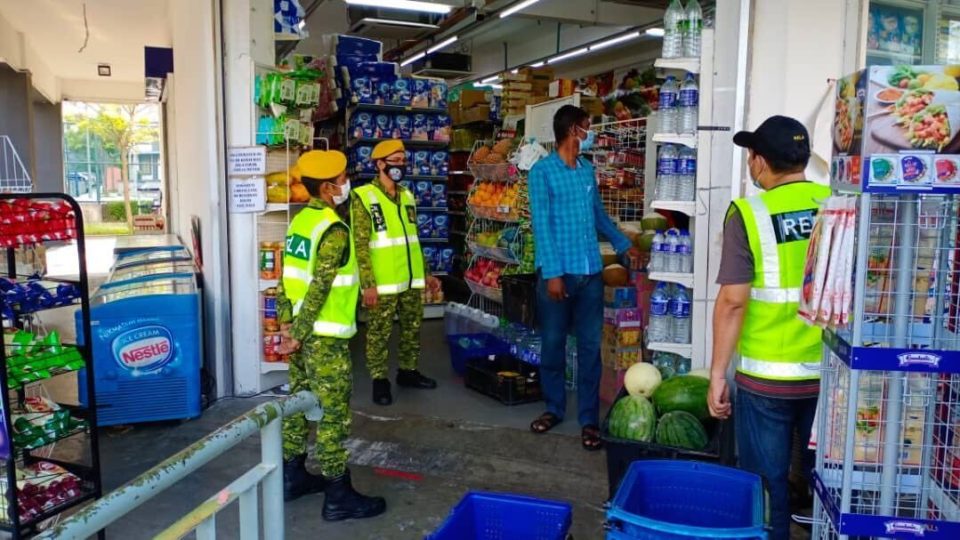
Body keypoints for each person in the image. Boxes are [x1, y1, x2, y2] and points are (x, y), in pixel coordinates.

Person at [707, 116, 831, 540]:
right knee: (828, 485)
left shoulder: (749, 212)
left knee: (766, 483)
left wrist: (717, 374)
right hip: (830, 372)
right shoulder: (835, 202)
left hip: (767, 378)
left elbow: (733, 301)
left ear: (759, 162)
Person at [276, 149, 386, 521]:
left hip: (302, 336)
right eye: (341, 179)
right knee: (332, 415)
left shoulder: (300, 222)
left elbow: (285, 280)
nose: (346, 184)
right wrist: (300, 332)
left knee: (297, 406)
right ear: (327, 188)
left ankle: (292, 477)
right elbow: (319, 288)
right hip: (325, 339)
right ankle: (338, 494)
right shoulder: (333, 230)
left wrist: (287, 326)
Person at [527, 105, 640, 450]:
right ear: (573, 129)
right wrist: (553, 273)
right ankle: (554, 407)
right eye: (587, 127)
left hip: (591, 272)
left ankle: (589, 419)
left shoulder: (587, 170)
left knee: (590, 349)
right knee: (553, 344)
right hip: (558, 275)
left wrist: (623, 246)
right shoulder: (542, 172)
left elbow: (599, 217)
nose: (590, 133)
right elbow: (541, 225)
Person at [351, 139, 441, 406]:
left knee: (412, 328)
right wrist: (368, 284)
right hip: (383, 282)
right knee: (379, 334)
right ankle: (380, 380)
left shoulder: (408, 196)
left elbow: (413, 238)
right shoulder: (364, 197)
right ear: (380, 164)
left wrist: (426, 273)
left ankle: (408, 371)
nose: (401, 166)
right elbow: (360, 245)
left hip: (411, 279)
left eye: (403, 161)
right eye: (395, 161)